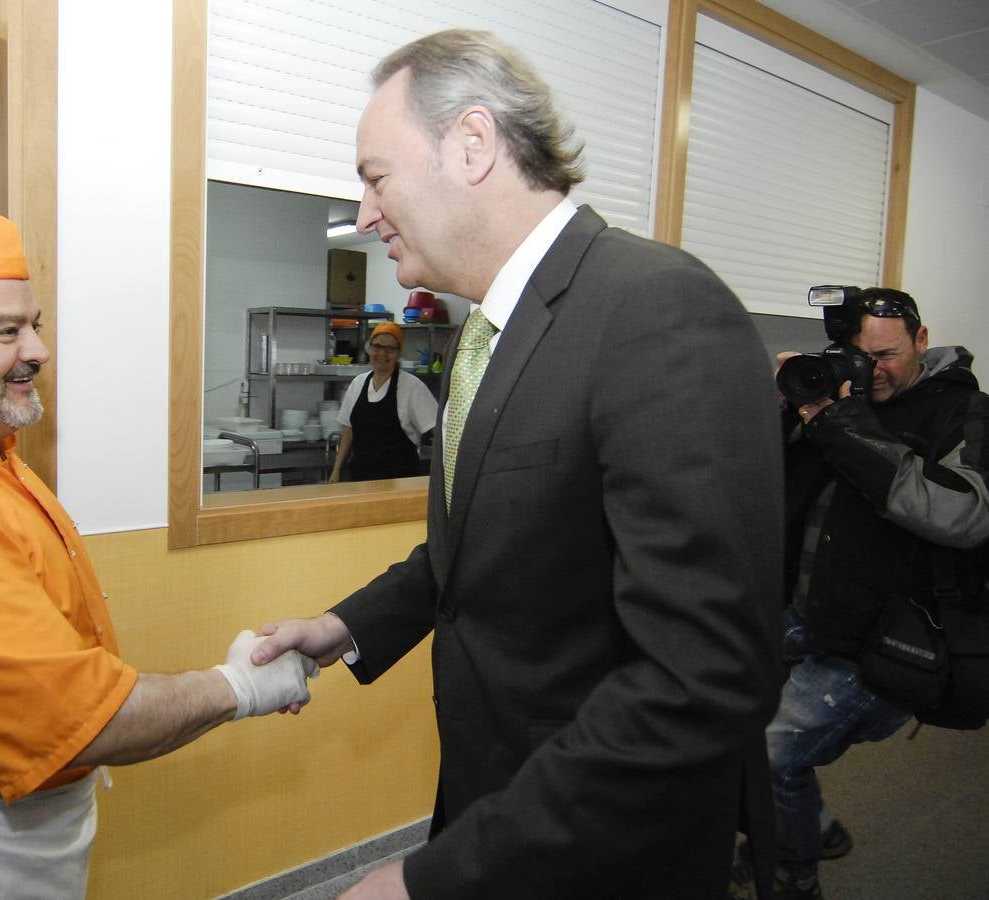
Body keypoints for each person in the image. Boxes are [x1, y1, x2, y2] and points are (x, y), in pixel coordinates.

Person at [250, 30, 785, 899]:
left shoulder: (655, 308)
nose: (364, 213)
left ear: (471, 145)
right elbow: (488, 547)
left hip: (601, 839)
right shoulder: (487, 335)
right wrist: (345, 628)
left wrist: (426, 880)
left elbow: (702, 678)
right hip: (496, 795)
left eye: (376, 176)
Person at [0, 207, 316, 899]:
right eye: (5, 331)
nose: (38, 350)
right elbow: (83, 724)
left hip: (6, 824)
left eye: (35, 323)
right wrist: (242, 686)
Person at [753, 288, 989, 899]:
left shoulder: (964, 413)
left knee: (771, 752)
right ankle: (813, 824)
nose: (870, 370)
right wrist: (783, 406)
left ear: (922, 340)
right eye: (855, 355)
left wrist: (840, 423)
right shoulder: (833, 397)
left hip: (883, 636)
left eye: (885, 355)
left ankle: (792, 878)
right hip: (802, 609)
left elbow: (962, 516)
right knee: (723, 719)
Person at [329, 321, 438, 482]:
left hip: (400, 481)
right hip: (361, 479)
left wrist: (439, 472)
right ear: (369, 349)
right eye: (377, 346)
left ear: (399, 353)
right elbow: (348, 430)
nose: (382, 353)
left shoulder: (412, 387)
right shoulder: (358, 383)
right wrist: (336, 470)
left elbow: (438, 431)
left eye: (390, 349)